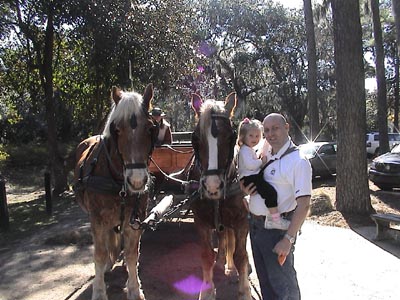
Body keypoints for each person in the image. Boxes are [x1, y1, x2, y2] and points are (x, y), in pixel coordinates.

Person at [240, 113, 312, 300]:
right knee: (266, 283)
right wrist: (244, 188)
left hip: (277, 233)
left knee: (283, 287)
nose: (271, 134)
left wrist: (288, 239)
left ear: (286, 127)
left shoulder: (298, 161)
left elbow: (304, 204)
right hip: (256, 227)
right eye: (267, 130)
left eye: (275, 128)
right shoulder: (267, 154)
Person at [237, 117, 290, 230]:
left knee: (266, 191)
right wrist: (262, 162)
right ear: (243, 136)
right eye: (251, 136)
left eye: (257, 136)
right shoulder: (245, 150)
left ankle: (251, 202)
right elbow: (251, 165)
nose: (254, 139)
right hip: (250, 178)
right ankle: (275, 220)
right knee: (270, 193)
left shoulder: (249, 149)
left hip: (251, 177)